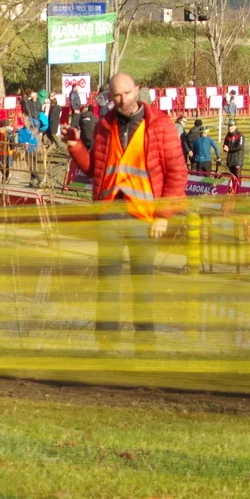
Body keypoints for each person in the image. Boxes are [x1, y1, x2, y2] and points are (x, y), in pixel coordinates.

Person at [62, 73, 187, 343]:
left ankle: (145, 342)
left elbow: (177, 173)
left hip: (145, 216)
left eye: (127, 93)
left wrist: (164, 215)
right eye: (117, 95)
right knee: (107, 281)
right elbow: (96, 170)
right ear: (110, 96)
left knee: (142, 284)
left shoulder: (161, 126)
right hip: (111, 215)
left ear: (137, 90)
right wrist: (75, 147)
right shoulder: (103, 127)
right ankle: (105, 342)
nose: (123, 100)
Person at [223, 123, 245, 190]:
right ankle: (233, 189)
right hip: (230, 160)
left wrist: (229, 149)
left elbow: (239, 147)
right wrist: (224, 147)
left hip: (237, 160)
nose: (230, 127)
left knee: (237, 177)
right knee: (232, 176)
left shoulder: (240, 135)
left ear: (235, 126)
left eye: (231, 126)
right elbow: (225, 145)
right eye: (229, 126)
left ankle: (238, 190)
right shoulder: (227, 135)